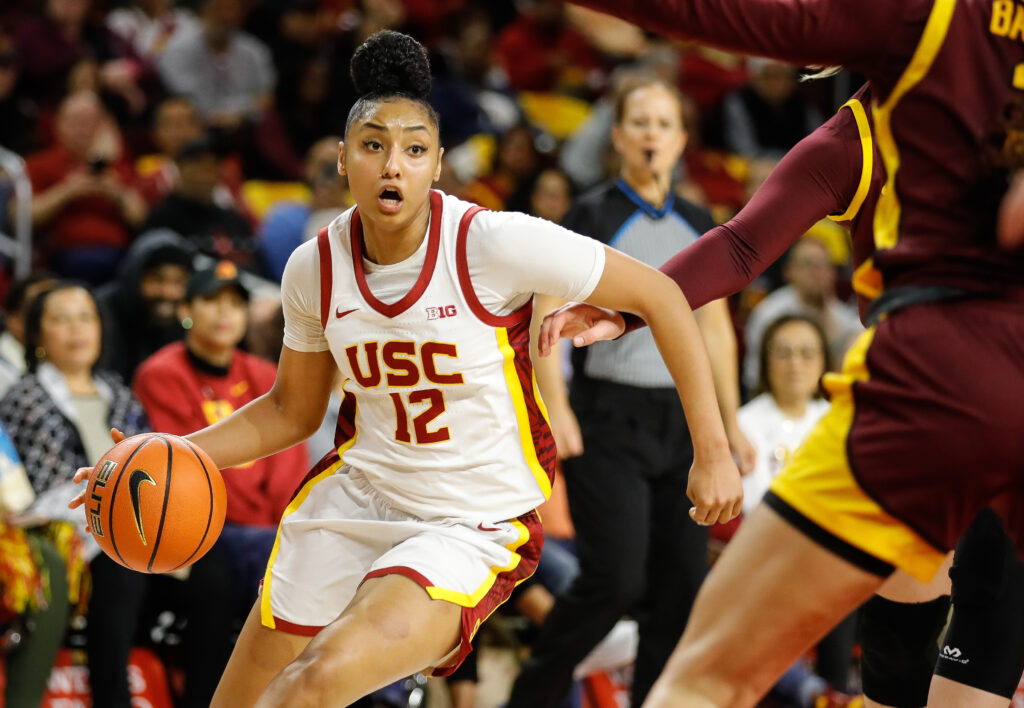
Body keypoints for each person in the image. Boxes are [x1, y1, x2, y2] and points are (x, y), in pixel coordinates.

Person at [64, 29, 743, 708]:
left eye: (414, 149)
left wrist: (712, 451)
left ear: (438, 163)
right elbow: (289, 412)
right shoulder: (313, 266)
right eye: (374, 146)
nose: (394, 165)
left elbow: (662, 295)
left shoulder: (495, 243)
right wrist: (168, 453)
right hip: (356, 498)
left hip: (469, 520)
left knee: (318, 680)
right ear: (342, 158)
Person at [538, 7, 1024, 692]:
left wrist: (627, 308)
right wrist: (628, 308)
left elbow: (741, 244)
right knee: (972, 646)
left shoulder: (898, 78)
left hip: (934, 385)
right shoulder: (880, 117)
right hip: (984, 380)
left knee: (713, 675)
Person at [507, 73, 751, 708]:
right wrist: (555, 406)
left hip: (682, 419)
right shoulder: (591, 213)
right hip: (608, 417)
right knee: (614, 579)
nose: (651, 135)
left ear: (681, 141)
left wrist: (728, 425)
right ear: (617, 137)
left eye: (663, 124)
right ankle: (531, 696)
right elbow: (546, 314)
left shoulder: (700, 220)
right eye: (639, 123)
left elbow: (716, 330)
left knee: (681, 586)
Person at [0, 282, 232, 708]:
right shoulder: (25, 399)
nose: (77, 329)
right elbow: (44, 492)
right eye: (61, 319)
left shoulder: (119, 392)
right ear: (37, 335)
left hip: (136, 527)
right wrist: (114, 512)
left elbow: (152, 477)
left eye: (86, 317)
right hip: (70, 535)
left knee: (211, 571)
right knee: (120, 564)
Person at [133, 261, 309, 594]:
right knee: (285, 558)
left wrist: (284, 525)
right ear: (186, 310)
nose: (224, 312)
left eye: (235, 303)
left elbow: (289, 465)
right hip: (207, 525)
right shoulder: (161, 374)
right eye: (212, 300)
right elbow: (184, 463)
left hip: (267, 528)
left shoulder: (266, 375)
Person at [25, 90, 148, 284]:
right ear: (59, 124)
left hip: (121, 258)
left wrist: (115, 192)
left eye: (90, 121)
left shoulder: (116, 166)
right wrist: (69, 191)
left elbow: (140, 217)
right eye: (75, 121)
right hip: (63, 258)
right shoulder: (39, 164)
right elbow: (22, 216)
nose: (83, 129)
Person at [742, 236, 861, 393]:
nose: (817, 272)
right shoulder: (769, 313)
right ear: (789, 272)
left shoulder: (846, 318)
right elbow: (754, 378)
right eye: (808, 264)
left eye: (824, 265)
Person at [97, 229, 194, 382]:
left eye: (178, 282)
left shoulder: (186, 322)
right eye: (157, 279)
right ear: (134, 276)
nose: (167, 293)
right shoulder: (102, 312)